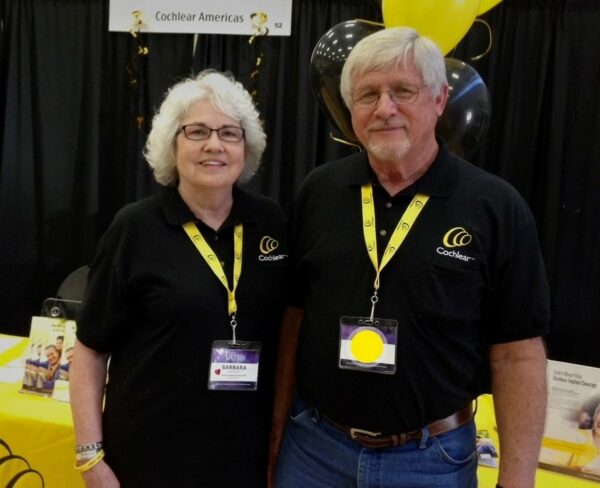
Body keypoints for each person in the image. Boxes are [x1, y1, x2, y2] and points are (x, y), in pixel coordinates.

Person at [271, 27, 549, 488]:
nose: (384, 109)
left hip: (431, 461)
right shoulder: (318, 192)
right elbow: (293, 320)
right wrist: (277, 432)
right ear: (350, 109)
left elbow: (518, 355)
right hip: (314, 452)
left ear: (439, 100)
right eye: (367, 95)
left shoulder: (495, 206)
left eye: (403, 90)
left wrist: (517, 480)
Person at [69, 70, 289, 487]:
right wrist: (90, 458)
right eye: (197, 131)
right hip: (147, 457)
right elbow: (90, 349)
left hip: (243, 458)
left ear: (247, 147)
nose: (214, 145)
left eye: (229, 133)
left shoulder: (270, 222)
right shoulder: (134, 228)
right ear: (172, 143)